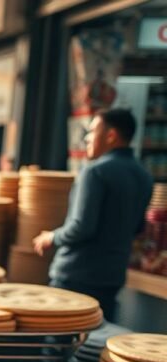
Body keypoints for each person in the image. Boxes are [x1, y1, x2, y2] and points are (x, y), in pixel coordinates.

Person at [33, 108, 153, 321]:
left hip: (76, 275)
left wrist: (52, 237)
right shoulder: (144, 176)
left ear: (111, 135)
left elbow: (81, 226)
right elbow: (137, 227)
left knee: (57, 344)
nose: (87, 138)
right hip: (111, 278)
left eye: (92, 131)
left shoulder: (95, 171)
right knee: (96, 343)